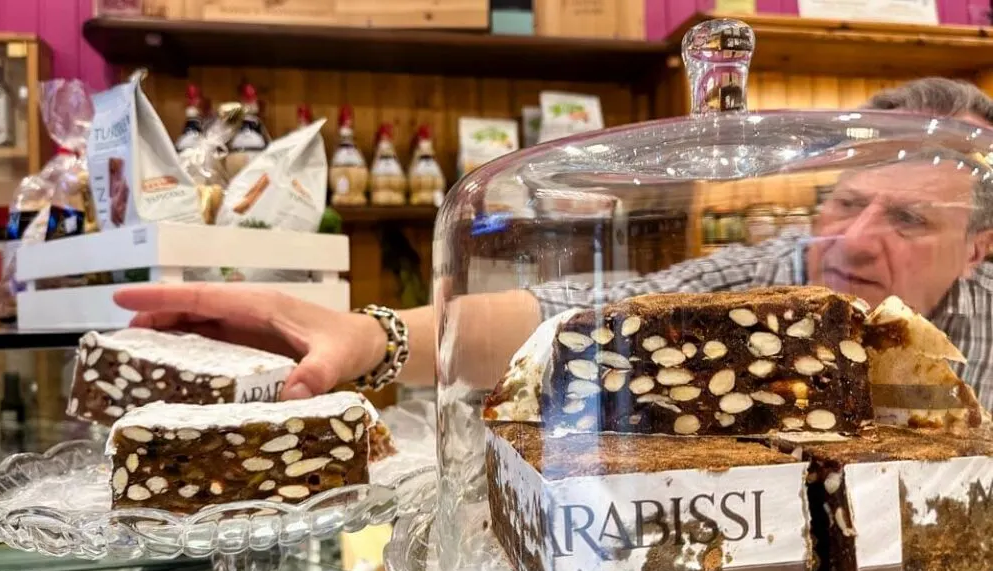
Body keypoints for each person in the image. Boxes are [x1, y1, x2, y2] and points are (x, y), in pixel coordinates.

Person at [114, 77, 993, 406]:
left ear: (979, 247)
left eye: (909, 219)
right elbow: (569, 315)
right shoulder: (760, 280)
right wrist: (369, 337)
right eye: (843, 202)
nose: (854, 239)